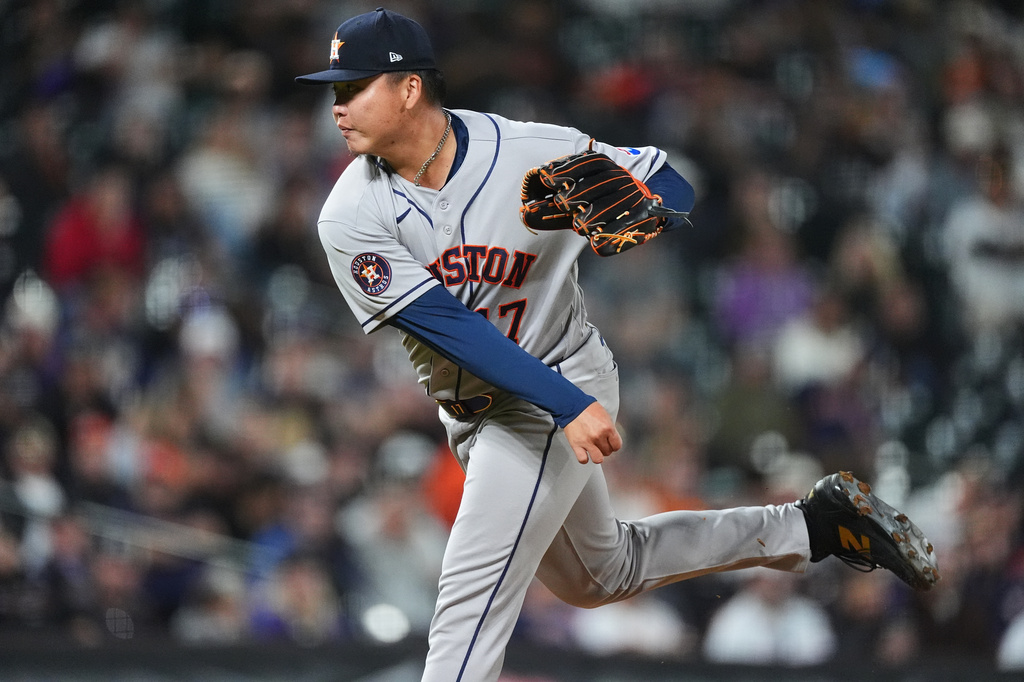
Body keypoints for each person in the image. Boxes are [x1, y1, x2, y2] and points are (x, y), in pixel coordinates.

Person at [296, 8, 940, 680]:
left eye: (354, 87)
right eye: (336, 91)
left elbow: (672, 181)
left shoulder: (526, 151)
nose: (338, 107)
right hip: (508, 403)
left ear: (408, 89)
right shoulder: (349, 215)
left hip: (555, 382)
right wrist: (566, 404)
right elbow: (451, 330)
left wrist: (644, 206)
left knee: (468, 612)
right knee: (602, 575)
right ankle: (814, 527)